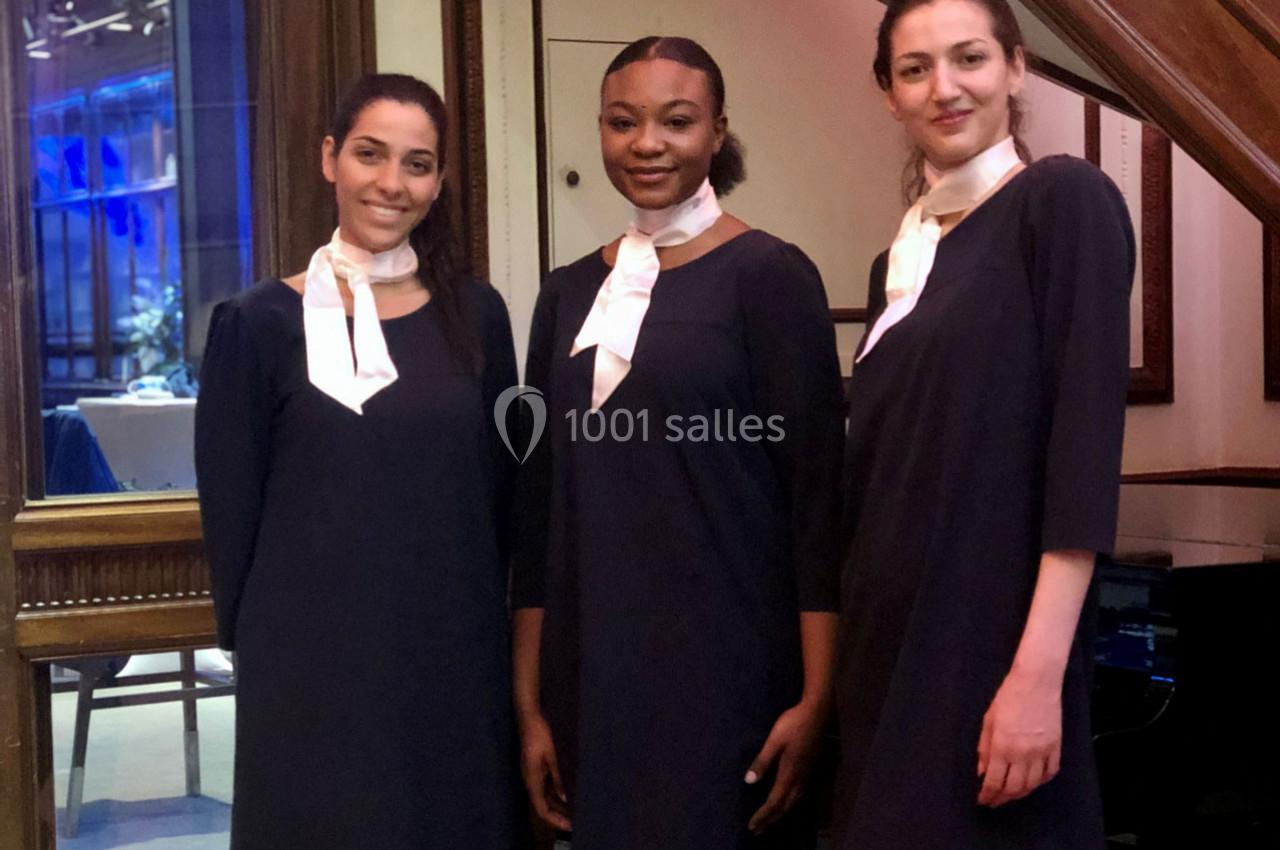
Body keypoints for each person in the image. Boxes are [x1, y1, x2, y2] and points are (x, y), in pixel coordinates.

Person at [510, 36, 846, 850]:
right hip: (595, 677)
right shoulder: (565, 295)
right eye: (623, 123)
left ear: (718, 131)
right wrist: (529, 706)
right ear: (599, 131)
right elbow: (539, 510)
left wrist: (818, 696)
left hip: (732, 677)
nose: (648, 143)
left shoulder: (770, 275)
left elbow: (818, 502)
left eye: (677, 120)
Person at [195, 73, 526, 849]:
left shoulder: (478, 315)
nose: (392, 183)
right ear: (329, 159)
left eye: (417, 164)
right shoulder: (256, 325)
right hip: (309, 659)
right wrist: (261, 655)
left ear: (440, 181)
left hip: (452, 649)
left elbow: (503, 493)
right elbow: (232, 513)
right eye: (370, 155)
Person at [832, 2, 1135, 848]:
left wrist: (1037, 680)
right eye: (916, 69)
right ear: (889, 94)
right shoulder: (897, 260)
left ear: (1015, 67)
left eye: (969, 59)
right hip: (886, 655)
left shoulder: (1062, 200)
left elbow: (1082, 459)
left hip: (989, 651)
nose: (946, 88)